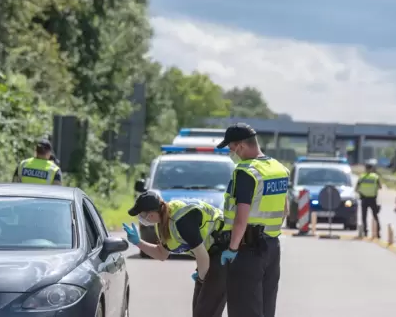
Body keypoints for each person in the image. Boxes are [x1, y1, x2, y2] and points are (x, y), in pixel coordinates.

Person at [216, 123, 289, 317]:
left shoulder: (246, 172)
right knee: (266, 309)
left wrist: (232, 249)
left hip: (247, 250)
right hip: (272, 247)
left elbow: (242, 218)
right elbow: (285, 210)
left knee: (244, 309)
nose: (232, 153)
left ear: (240, 145)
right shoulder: (278, 168)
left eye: (232, 148)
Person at [123, 191, 227, 317]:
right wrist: (138, 242)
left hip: (224, 252)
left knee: (205, 312)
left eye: (141, 215)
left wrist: (201, 279)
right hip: (211, 255)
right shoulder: (163, 224)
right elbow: (162, 254)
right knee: (200, 311)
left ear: (150, 214)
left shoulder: (182, 220)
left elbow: (202, 255)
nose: (141, 218)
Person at [356, 160, 382, 237]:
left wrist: (362, 192)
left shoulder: (361, 177)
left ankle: (365, 231)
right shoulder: (375, 177)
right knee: (375, 216)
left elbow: (356, 189)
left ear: (366, 168)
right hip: (372, 199)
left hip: (364, 199)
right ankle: (378, 232)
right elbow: (380, 187)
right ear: (372, 169)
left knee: (364, 216)